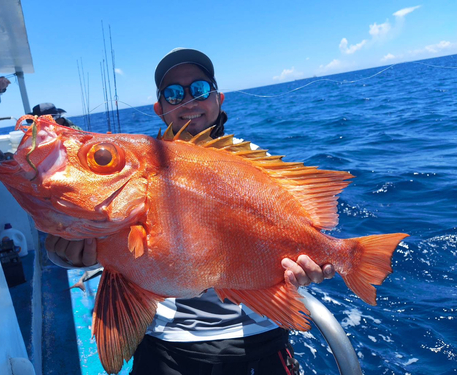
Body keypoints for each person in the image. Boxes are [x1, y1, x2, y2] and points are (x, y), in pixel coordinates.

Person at [46, 48, 336, 375]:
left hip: (259, 335)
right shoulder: (133, 167)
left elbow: (288, 239)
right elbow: (107, 239)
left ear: (218, 98)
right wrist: (66, 254)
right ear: (159, 108)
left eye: (199, 89)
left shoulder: (255, 162)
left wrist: (311, 266)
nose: (188, 101)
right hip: (167, 342)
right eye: (173, 94)